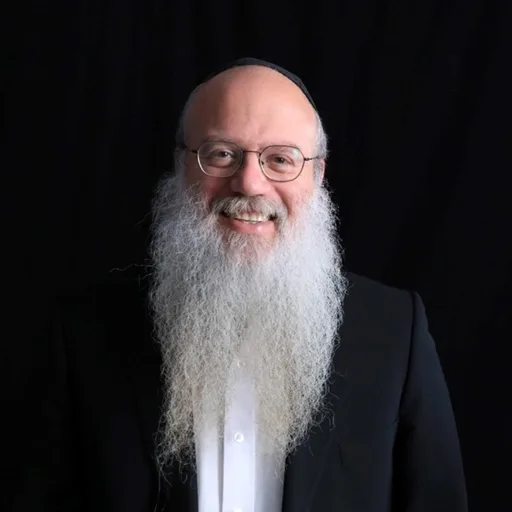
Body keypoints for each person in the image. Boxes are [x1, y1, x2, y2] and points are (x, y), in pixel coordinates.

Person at [23, 58, 467, 512]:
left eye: (281, 159)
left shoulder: (394, 332)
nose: (250, 183)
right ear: (181, 164)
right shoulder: (84, 333)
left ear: (317, 175)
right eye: (221, 154)